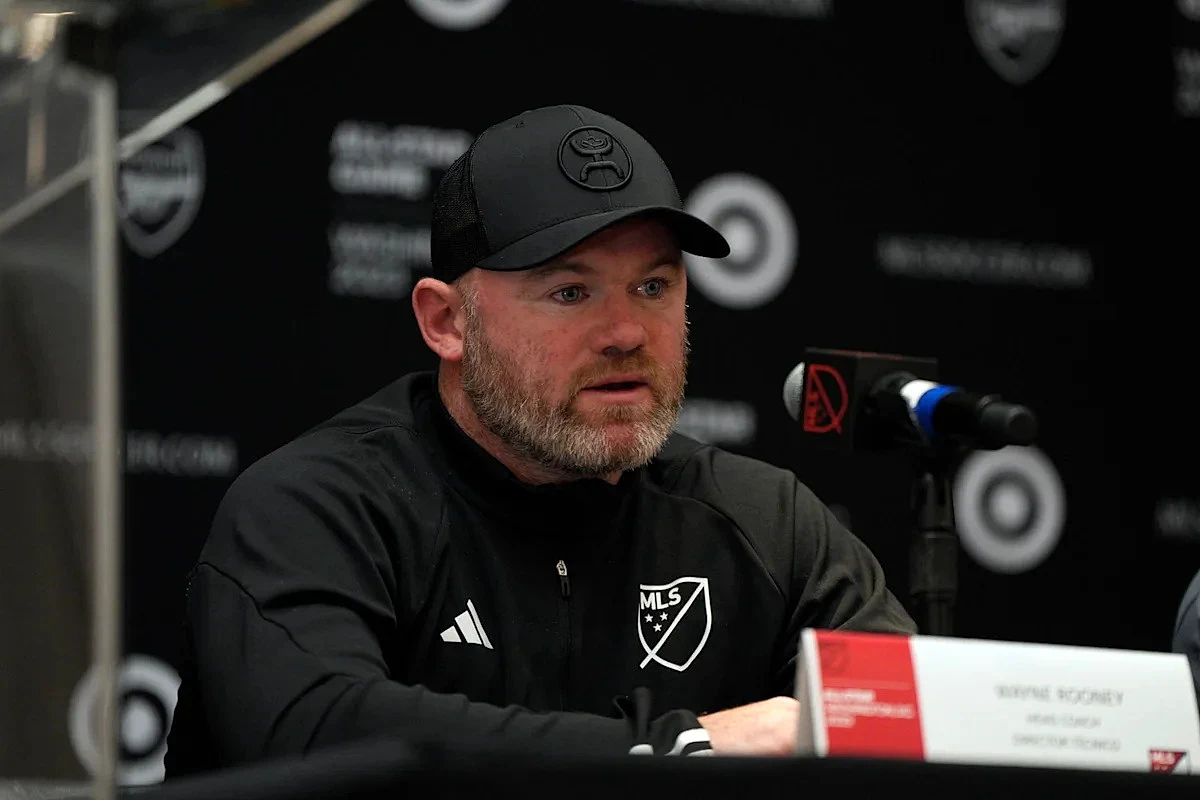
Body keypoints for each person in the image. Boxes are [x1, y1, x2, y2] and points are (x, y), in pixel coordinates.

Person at [163, 103, 916, 776]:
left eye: (653, 287)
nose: (626, 333)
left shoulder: (766, 525)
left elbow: (924, 729)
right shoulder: (319, 506)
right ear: (446, 322)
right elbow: (317, 736)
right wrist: (676, 749)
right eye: (570, 292)